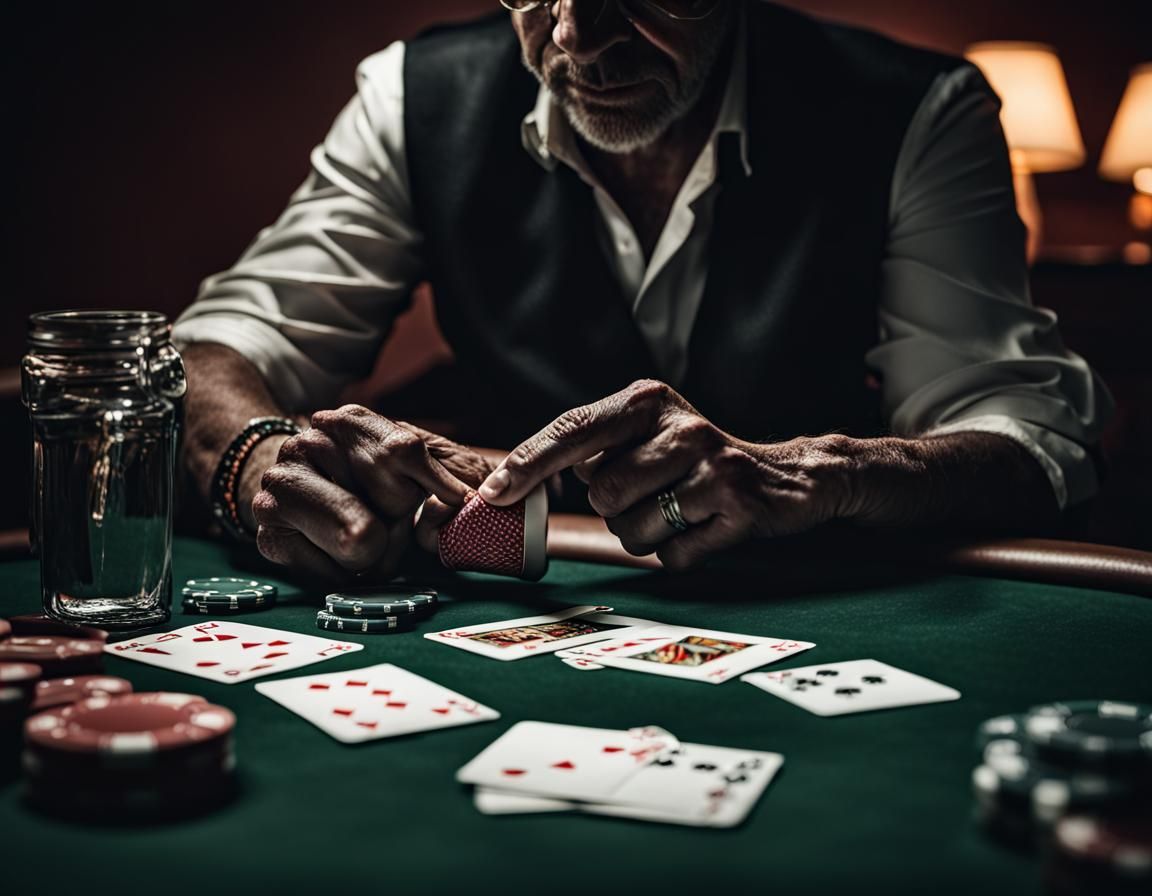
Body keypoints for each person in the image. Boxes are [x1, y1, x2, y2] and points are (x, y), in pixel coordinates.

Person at [173, 0, 1111, 580]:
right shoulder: (410, 98)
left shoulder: (918, 113)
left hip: (820, 608)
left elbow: (1032, 446)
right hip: (506, 623)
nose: (578, 38)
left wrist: (822, 475)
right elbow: (209, 352)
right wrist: (256, 463)